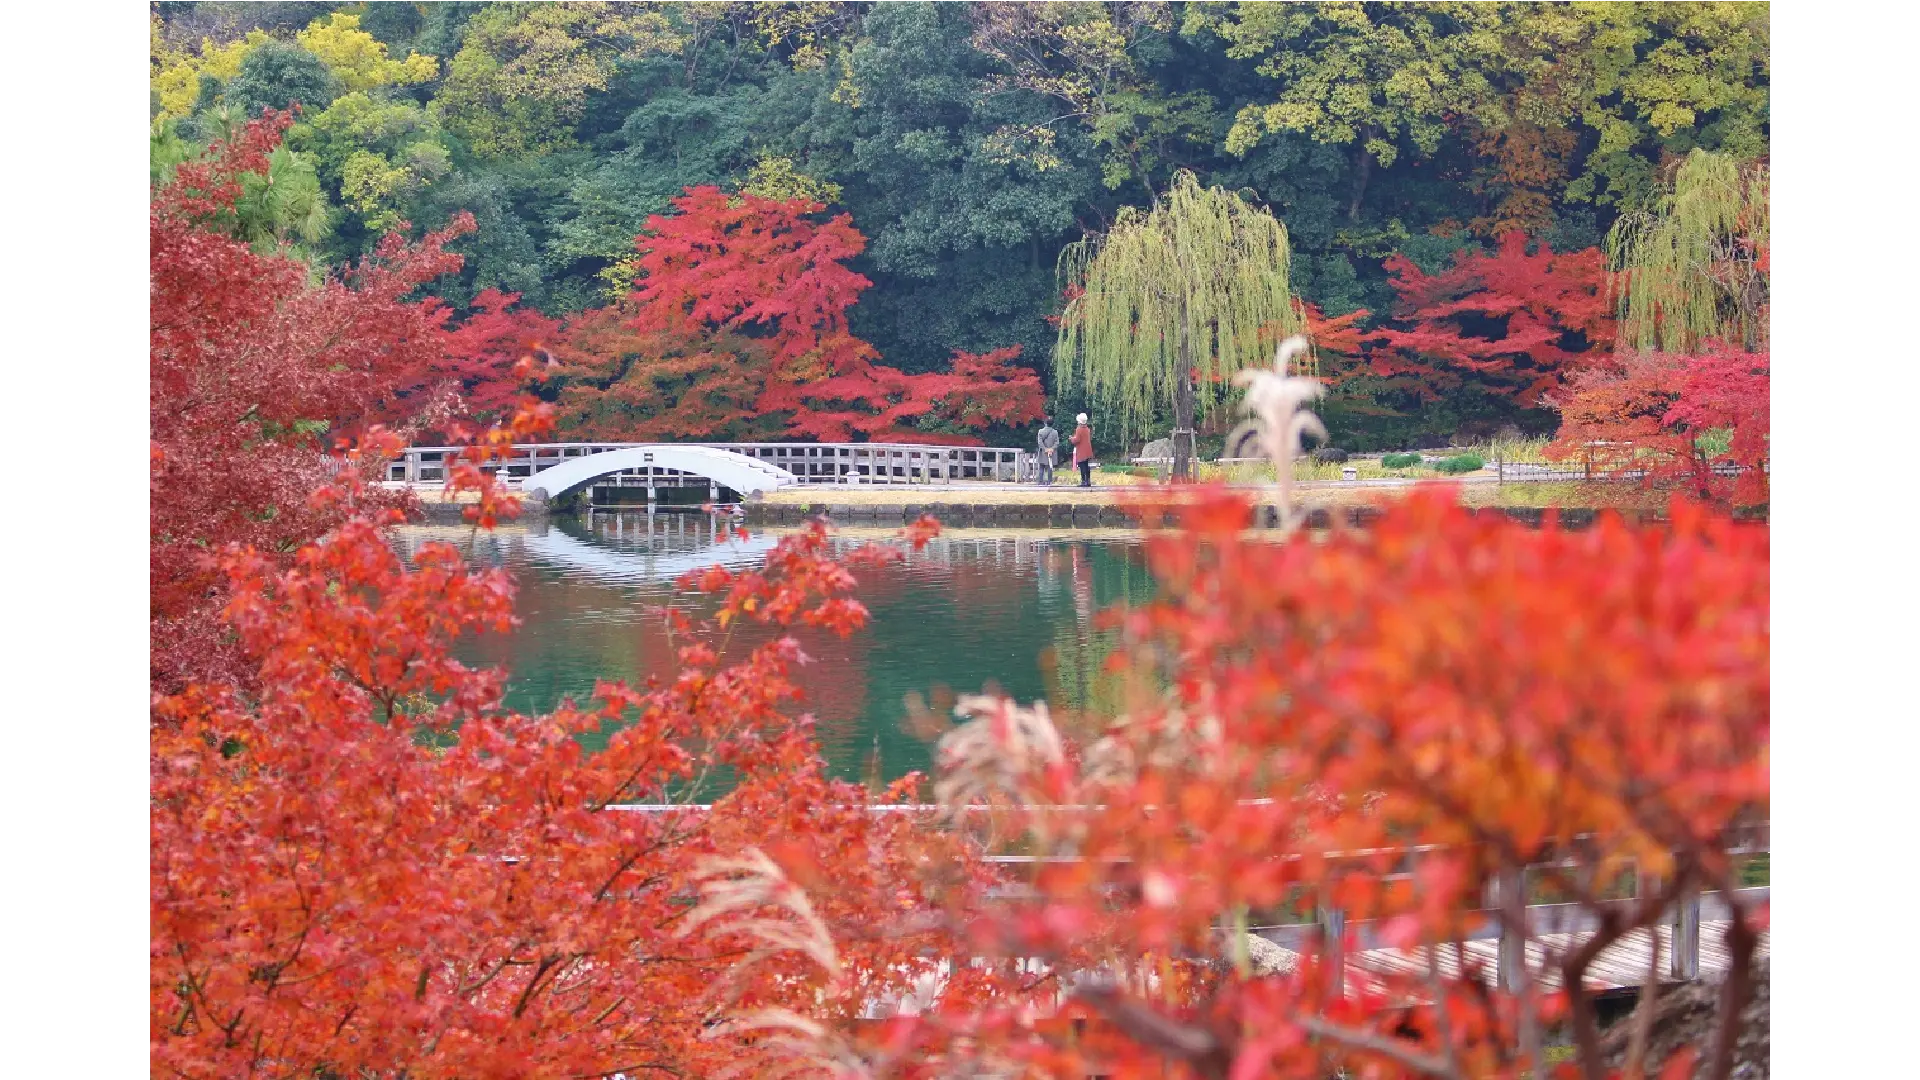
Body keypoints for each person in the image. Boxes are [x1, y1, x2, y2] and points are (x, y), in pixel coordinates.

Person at [1071, 413, 1094, 488]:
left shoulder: (1079, 429)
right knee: (1086, 465)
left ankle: (1084, 481)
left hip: (1081, 450)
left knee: (1082, 465)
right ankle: (1088, 481)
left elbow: (1077, 440)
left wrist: (1072, 439)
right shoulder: (1087, 429)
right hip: (1087, 449)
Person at [1036, 416, 1059, 486]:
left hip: (1043, 452)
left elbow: (1040, 442)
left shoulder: (1040, 431)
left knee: (1041, 467)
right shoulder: (1055, 432)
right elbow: (1057, 442)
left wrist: (1045, 449)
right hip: (1052, 452)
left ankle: (1040, 481)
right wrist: (1051, 449)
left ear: (1045, 423)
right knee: (1050, 467)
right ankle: (1049, 481)